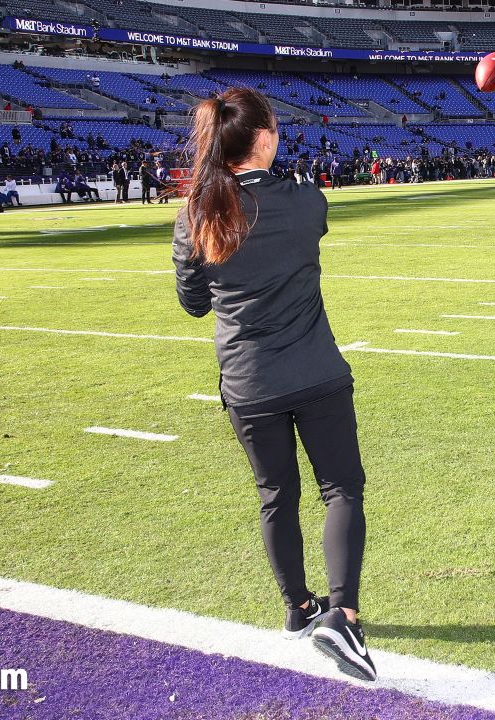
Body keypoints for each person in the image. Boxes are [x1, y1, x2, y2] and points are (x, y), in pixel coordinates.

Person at [172, 87, 374, 682]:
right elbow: (300, 229)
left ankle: (299, 608)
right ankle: (344, 614)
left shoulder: (198, 214)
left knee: (275, 494)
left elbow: (191, 303)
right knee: (342, 489)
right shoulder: (305, 200)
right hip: (316, 369)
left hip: (248, 378)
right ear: (262, 136)